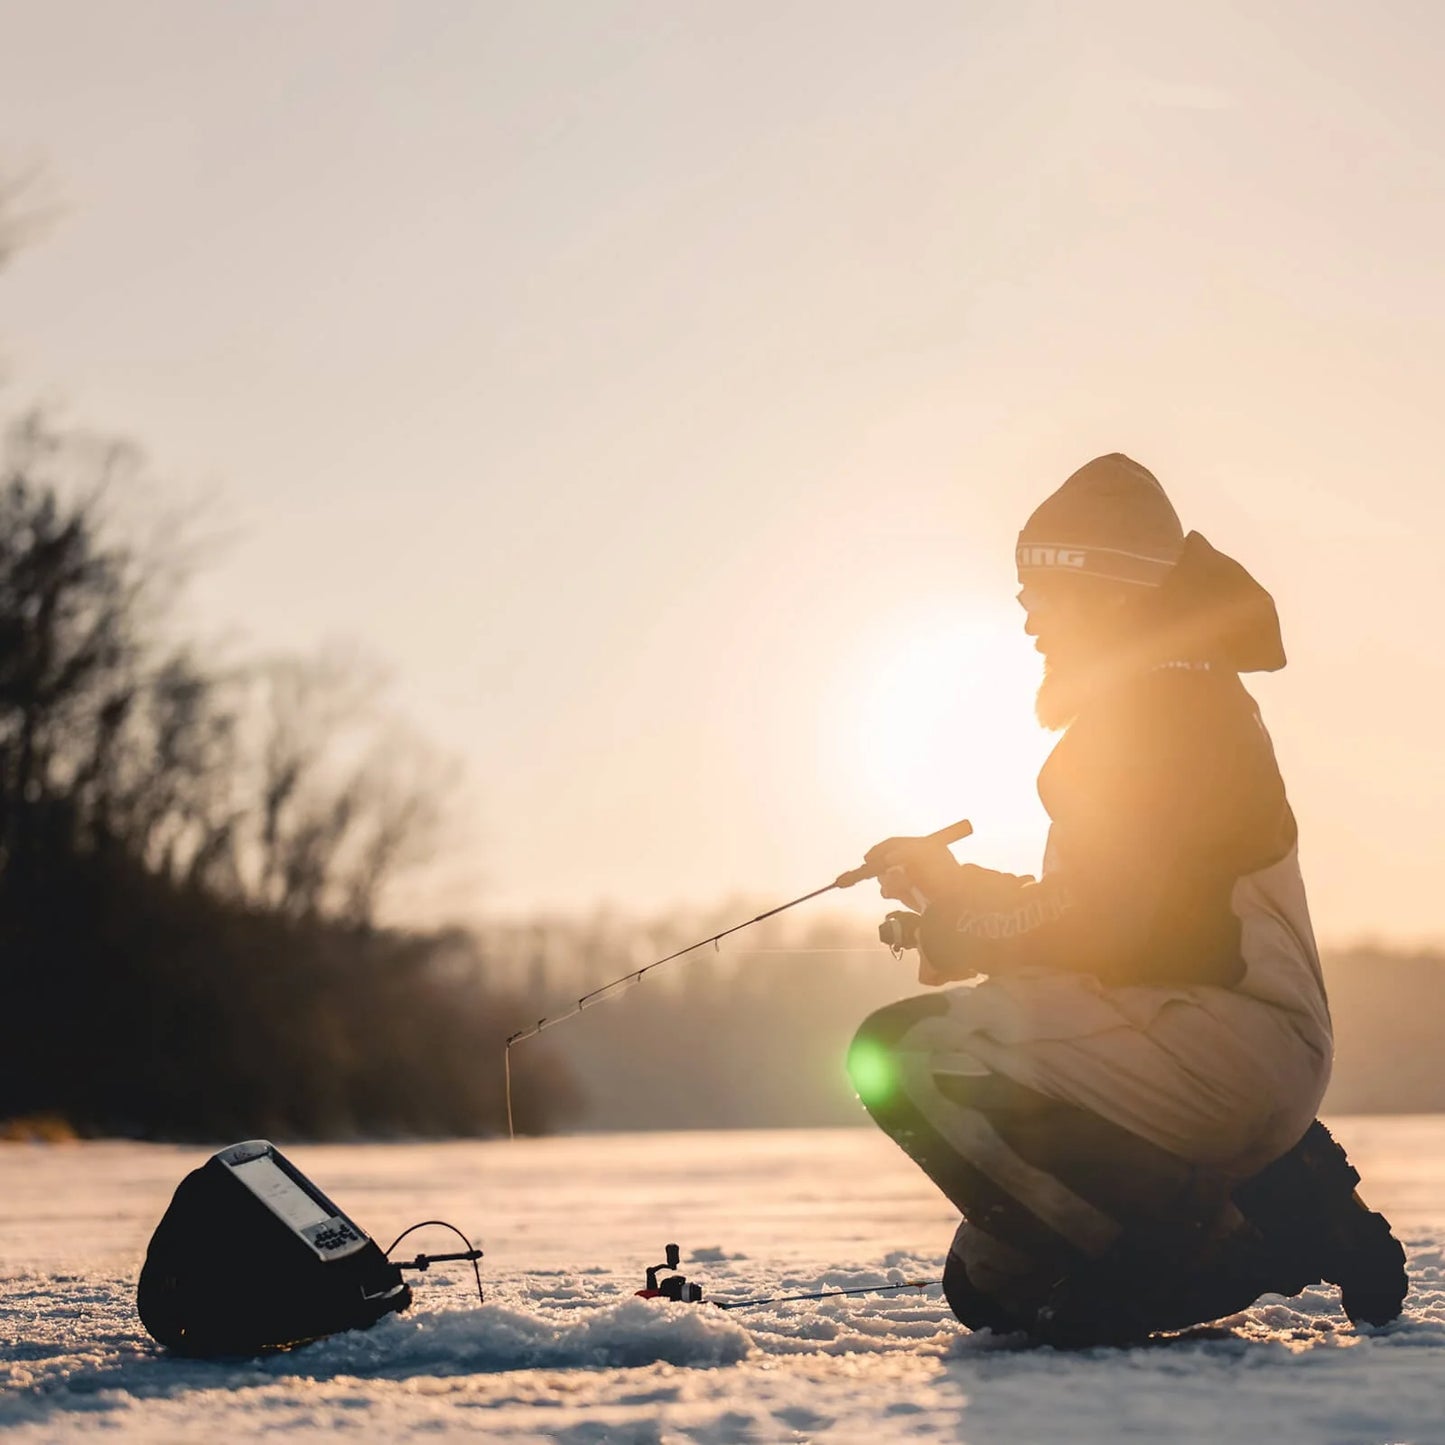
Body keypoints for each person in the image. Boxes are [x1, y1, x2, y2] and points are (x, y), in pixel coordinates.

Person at [849, 454, 1407, 1345]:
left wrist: (961, 914)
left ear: (1106, 588)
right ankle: (1283, 1190)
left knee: (902, 1053)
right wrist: (953, 895)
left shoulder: (1162, 712)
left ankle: (1212, 1244)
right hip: (1211, 1041)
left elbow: (1116, 927)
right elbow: (1126, 920)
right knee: (985, 1288)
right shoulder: (1165, 698)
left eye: (1042, 586)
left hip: (1221, 1044)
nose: (1026, 610)